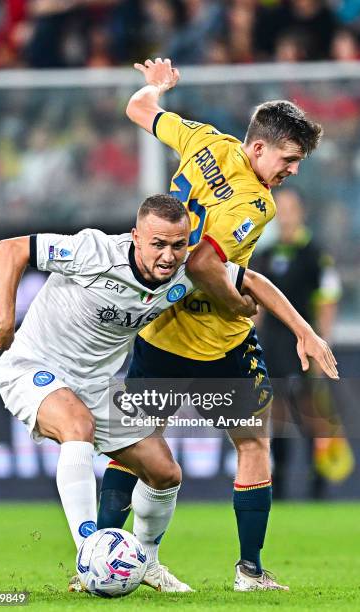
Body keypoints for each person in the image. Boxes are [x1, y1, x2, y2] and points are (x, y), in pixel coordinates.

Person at [0, 194, 336, 594]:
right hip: (33, 368)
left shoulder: (188, 270)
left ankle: (147, 561)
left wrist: (305, 331)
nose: (168, 256)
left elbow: (252, 280)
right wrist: (6, 318)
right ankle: (90, 554)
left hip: (95, 386)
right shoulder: (93, 251)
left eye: (178, 244)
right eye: (158, 244)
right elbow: (10, 249)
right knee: (76, 425)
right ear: (136, 237)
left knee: (165, 473)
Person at [97, 57, 332, 592]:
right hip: (214, 340)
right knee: (250, 445)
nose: (292, 170)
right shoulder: (256, 203)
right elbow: (205, 264)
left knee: (137, 446)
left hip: (159, 332)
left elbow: (139, 107)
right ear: (258, 148)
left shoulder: (205, 141)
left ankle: (99, 556)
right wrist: (233, 304)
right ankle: (248, 572)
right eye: (289, 159)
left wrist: (156, 84)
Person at [255, 188, 353, 499]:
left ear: (301, 212)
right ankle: (280, 489)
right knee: (277, 419)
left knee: (311, 419)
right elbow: (255, 307)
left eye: (290, 207)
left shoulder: (315, 255)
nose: (284, 214)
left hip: (303, 349)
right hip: (272, 349)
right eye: (279, 208)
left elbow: (327, 302)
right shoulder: (265, 255)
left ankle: (317, 489)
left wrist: (322, 347)